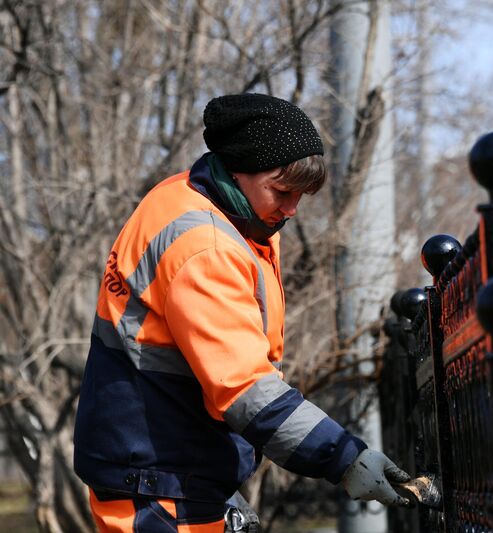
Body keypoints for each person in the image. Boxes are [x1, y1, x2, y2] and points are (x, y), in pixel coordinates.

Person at [73, 93, 410, 532]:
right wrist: (345, 457)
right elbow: (246, 388)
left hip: (162, 472)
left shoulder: (189, 197)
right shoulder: (206, 246)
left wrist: (218, 479)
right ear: (237, 170)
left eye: (300, 196)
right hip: (158, 485)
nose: (291, 210)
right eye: (282, 191)